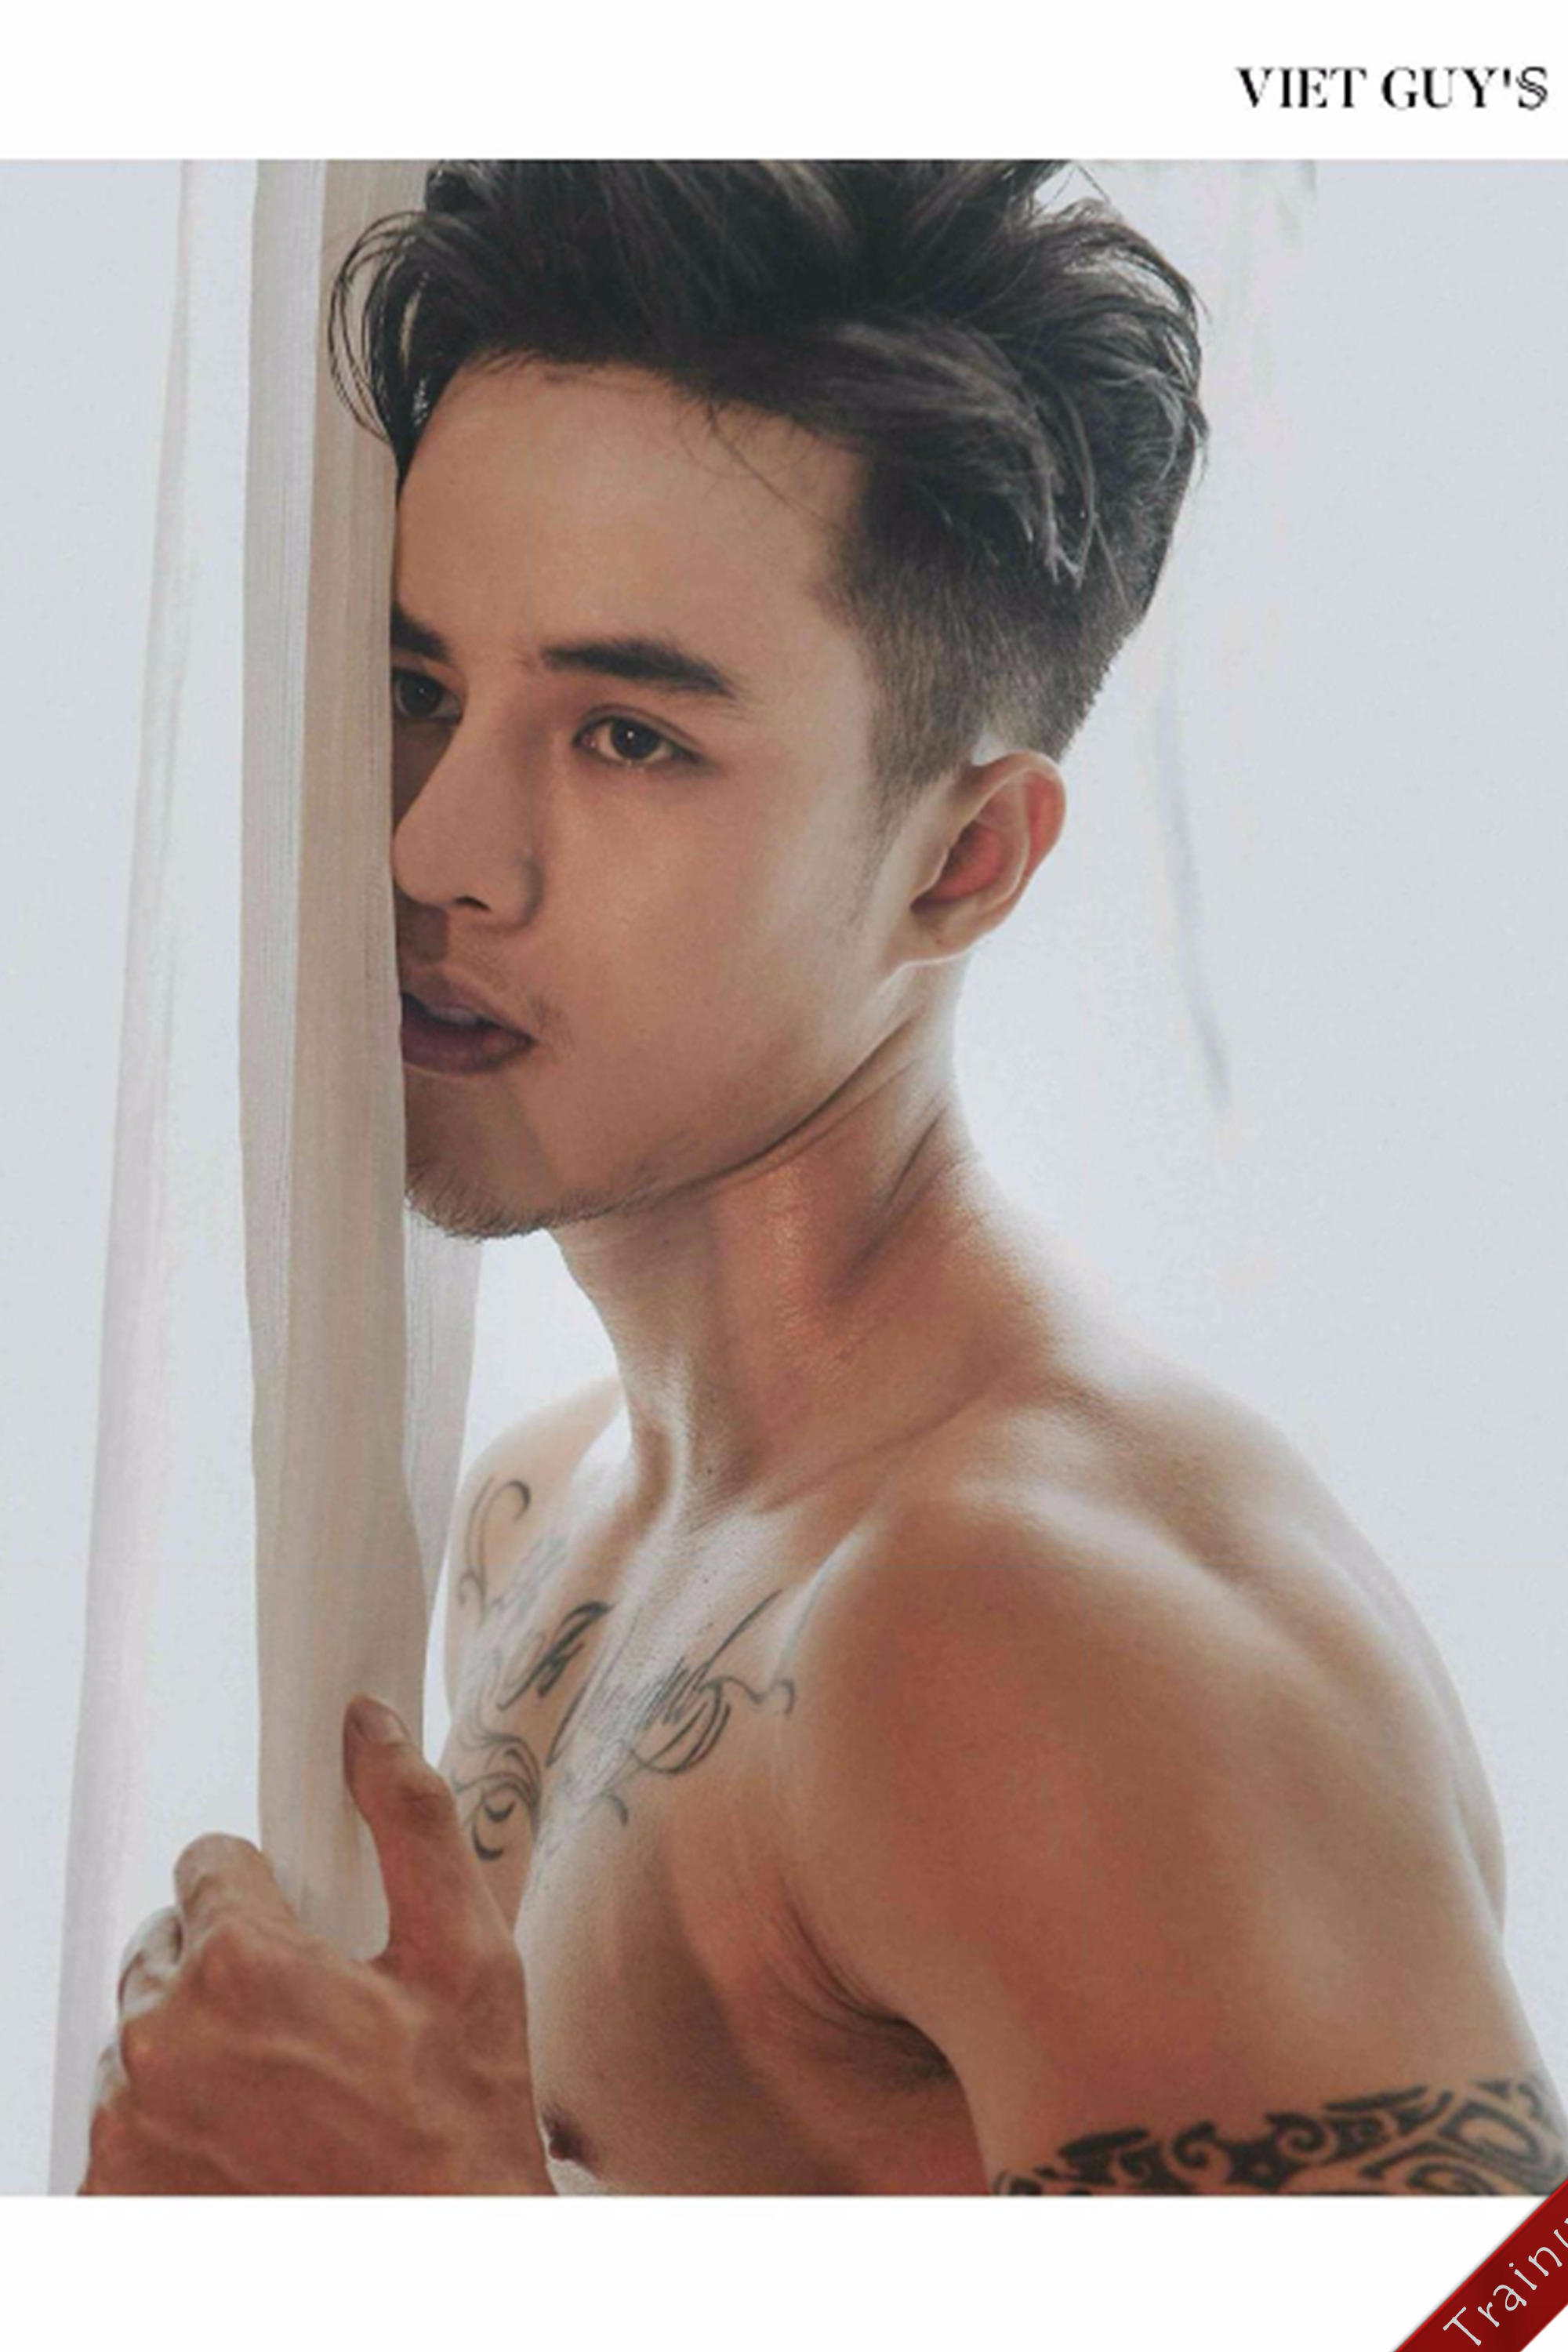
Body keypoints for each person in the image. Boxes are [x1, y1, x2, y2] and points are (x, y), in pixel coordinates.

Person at [86, 162, 1565, 2197]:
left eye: (627, 737)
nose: (435, 850)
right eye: (419, 691)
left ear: (962, 859)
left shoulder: (1036, 1636)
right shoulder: (538, 1508)